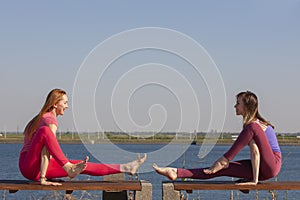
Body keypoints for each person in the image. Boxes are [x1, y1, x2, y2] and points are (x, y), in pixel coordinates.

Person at [19, 88, 146, 186]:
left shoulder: (42, 118)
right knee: (45, 132)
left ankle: (127, 167)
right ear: (55, 104)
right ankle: (68, 167)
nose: (67, 106)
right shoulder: (49, 120)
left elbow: (46, 150)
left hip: (35, 169)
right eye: (65, 102)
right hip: (29, 166)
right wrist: (44, 178)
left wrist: (44, 176)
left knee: (83, 166)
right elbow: (45, 150)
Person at [153, 91, 281, 185]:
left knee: (252, 127)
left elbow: (256, 153)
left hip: (272, 164)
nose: (235, 106)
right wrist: (254, 178)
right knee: (217, 171)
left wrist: (254, 181)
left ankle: (223, 160)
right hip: (262, 170)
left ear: (246, 107)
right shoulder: (249, 127)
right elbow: (255, 152)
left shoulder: (255, 126)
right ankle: (176, 172)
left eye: (238, 103)